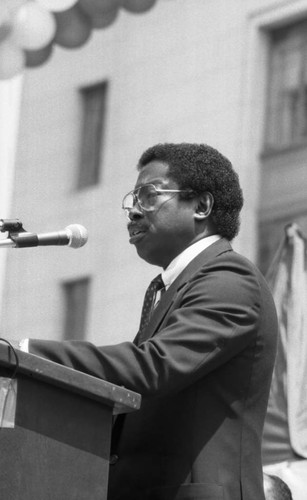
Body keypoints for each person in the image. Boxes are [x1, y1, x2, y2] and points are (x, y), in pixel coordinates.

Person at [22, 143, 278, 500]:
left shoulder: (230, 278)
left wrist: (27, 354)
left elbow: (154, 368)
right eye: (132, 200)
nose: (133, 212)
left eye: (148, 196)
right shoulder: (173, 288)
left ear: (201, 206)